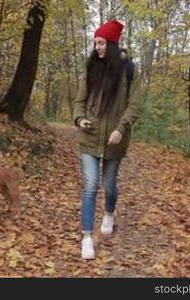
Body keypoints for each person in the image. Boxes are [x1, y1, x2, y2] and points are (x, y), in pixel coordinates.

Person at [73, 20, 142, 260]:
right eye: (95, 43)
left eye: (101, 43)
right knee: (91, 185)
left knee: (109, 185)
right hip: (89, 138)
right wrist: (79, 119)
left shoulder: (129, 72)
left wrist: (121, 128)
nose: (97, 47)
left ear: (112, 44)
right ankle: (87, 238)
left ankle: (110, 213)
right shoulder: (92, 69)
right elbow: (79, 101)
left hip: (115, 140)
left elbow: (135, 105)